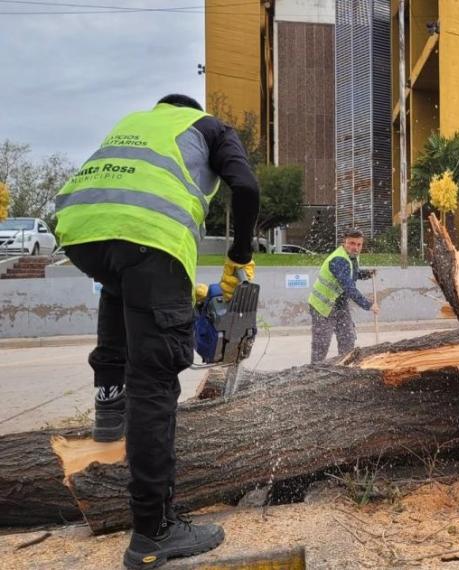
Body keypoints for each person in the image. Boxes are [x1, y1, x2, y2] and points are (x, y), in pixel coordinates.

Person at [54, 94, 259, 569]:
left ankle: (108, 406)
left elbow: (128, 242)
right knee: (155, 381)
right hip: (150, 239)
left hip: (81, 231)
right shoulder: (210, 127)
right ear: (192, 110)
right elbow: (246, 187)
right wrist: (239, 256)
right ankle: (153, 531)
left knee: (117, 284)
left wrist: (176, 292)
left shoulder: (136, 123)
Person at [308, 228, 379, 362]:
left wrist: (366, 274)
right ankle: (314, 369)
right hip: (322, 307)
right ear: (344, 242)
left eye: (359, 244)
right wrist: (369, 305)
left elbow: (351, 273)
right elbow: (349, 288)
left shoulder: (352, 257)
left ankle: (344, 367)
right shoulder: (339, 259)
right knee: (321, 344)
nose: (355, 248)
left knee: (348, 338)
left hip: (340, 305)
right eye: (352, 243)